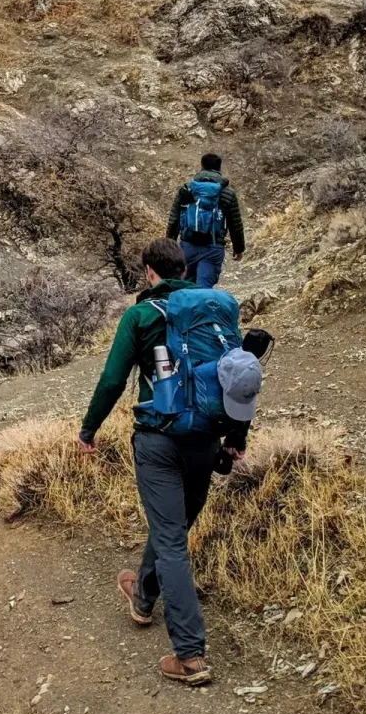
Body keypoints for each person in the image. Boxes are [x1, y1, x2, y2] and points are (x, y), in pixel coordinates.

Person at [77, 239, 259, 686]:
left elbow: (113, 379)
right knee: (172, 527)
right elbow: (240, 376)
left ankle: (190, 655)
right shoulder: (213, 312)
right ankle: (141, 596)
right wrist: (237, 436)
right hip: (206, 437)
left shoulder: (139, 316)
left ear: (149, 273)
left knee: (172, 540)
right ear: (184, 268)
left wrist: (88, 429)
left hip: (158, 441)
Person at [166, 152, 246, 288]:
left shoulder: (187, 189)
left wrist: (170, 244)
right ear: (219, 168)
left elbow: (174, 219)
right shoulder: (227, 192)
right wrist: (238, 248)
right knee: (204, 289)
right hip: (213, 248)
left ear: (201, 166)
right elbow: (235, 224)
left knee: (184, 289)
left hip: (188, 247)